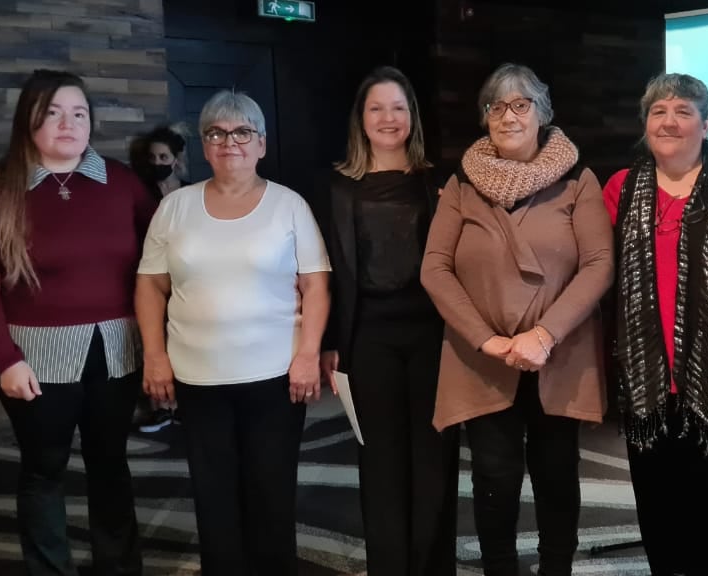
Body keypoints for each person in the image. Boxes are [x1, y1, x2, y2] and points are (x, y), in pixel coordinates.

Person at [0, 69, 154, 576]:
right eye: (53, 112)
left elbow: (161, 263)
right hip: (34, 361)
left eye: (79, 113)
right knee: (44, 471)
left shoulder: (124, 185)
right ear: (29, 120)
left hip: (118, 352)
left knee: (110, 465)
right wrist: (4, 359)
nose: (68, 123)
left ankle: (120, 567)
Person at [420, 63, 613, 576]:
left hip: (559, 353)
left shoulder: (578, 180)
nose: (508, 115)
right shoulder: (461, 185)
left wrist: (544, 335)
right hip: (483, 358)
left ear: (543, 113)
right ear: (485, 118)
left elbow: (599, 264)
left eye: (521, 104)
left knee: (556, 473)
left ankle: (556, 570)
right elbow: (434, 269)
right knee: (493, 477)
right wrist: (488, 342)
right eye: (497, 106)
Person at [134, 90, 331, 576]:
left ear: (261, 143)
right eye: (217, 133)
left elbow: (316, 286)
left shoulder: (289, 206)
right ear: (203, 146)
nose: (230, 142)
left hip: (274, 377)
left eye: (243, 132)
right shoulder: (175, 208)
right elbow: (150, 289)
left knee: (271, 491)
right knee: (213, 495)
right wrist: (155, 356)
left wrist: (308, 354)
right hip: (198, 379)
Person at [603, 73, 708, 575]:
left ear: (707, 122)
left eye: (683, 110)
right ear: (645, 124)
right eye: (658, 112)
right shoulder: (621, 188)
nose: (670, 121)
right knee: (659, 505)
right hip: (649, 382)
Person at [320, 66, 458, 575]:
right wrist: (330, 342)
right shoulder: (336, 186)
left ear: (412, 116)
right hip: (367, 338)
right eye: (376, 107)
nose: (388, 117)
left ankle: (432, 565)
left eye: (398, 107)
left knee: (433, 459)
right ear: (361, 118)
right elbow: (328, 271)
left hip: (434, 338)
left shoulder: (438, 181)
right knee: (379, 463)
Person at [127, 123, 194, 433]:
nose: (157, 164)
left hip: (186, 276)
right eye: (153, 158)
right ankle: (159, 406)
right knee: (155, 340)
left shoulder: (193, 192)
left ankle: (182, 403)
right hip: (152, 273)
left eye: (163, 157)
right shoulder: (141, 191)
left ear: (177, 159)